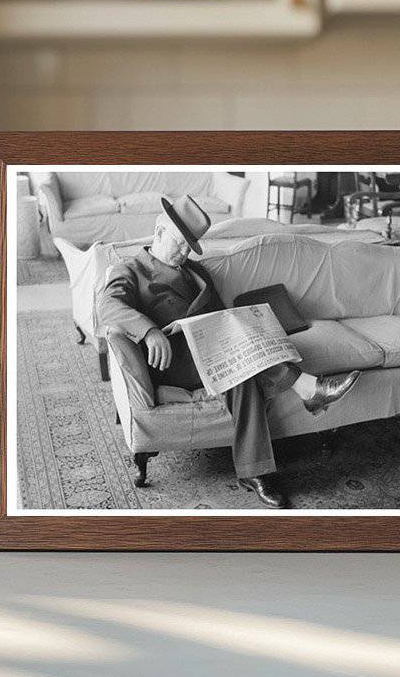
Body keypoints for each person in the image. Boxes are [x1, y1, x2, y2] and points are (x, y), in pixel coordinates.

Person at [97, 195, 359, 508]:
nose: (184, 253)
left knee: (242, 371)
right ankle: (307, 387)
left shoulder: (197, 273)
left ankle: (254, 473)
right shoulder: (130, 270)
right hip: (171, 362)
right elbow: (107, 306)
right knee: (238, 357)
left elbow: (222, 318)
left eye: (189, 247)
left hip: (213, 354)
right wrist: (149, 331)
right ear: (159, 232)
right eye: (180, 244)